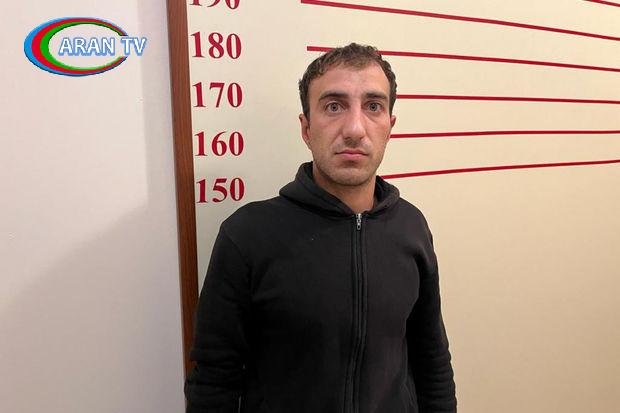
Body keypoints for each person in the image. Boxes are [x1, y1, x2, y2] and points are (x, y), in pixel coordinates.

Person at [185, 43, 456, 413]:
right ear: (306, 128)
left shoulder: (411, 227)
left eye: (373, 106)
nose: (355, 129)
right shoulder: (247, 236)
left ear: (390, 127)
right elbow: (214, 380)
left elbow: (431, 359)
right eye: (334, 106)